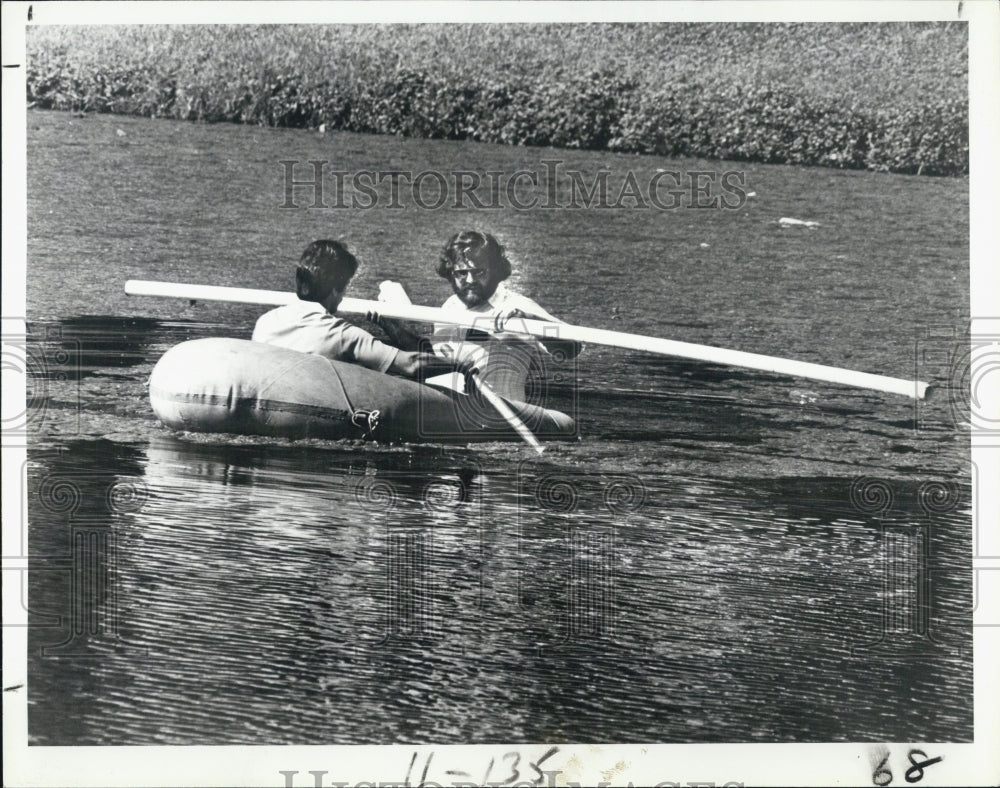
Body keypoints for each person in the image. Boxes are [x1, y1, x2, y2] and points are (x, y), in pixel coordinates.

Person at [376, 230, 580, 403]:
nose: (470, 280)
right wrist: (389, 323)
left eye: (479, 272)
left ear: (496, 271)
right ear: (450, 273)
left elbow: (572, 348)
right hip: (442, 407)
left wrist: (529, 321)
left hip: (496, 415)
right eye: (461, 273)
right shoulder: (451, 306)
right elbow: (430, 357)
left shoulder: (515, 306)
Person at [252, 239, 475, 382]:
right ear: (337, 290)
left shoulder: (265, 322)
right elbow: (411, 364)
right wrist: (459, 365)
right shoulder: (341, 334)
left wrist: (388, 327)